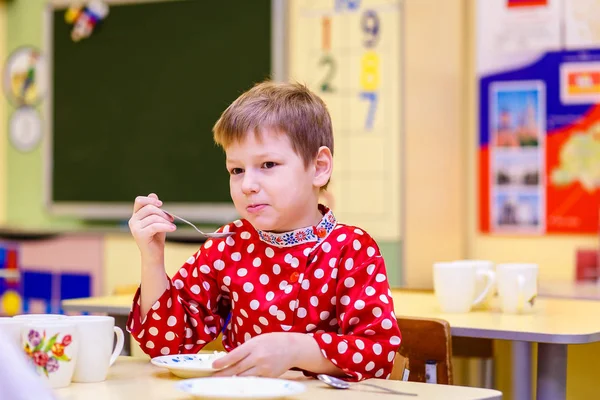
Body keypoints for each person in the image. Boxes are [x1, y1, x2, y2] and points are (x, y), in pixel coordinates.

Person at [126, 81, 401, 381]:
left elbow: (377, 353)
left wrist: (296, 349)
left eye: (268, 164)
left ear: (319, 167)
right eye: (237, 170)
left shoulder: (352, 249)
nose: (247, 185)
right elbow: (166, 344)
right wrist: (152, 259)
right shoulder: (229, 243)